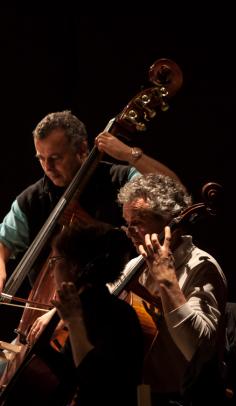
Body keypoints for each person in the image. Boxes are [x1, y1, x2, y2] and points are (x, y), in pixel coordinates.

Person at [0, 109, 180, 294]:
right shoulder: (32, 199)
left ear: (82, 150)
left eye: (56, 158)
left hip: (121, 297)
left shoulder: (120, 178)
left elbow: (175, 192)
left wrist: (128, 154)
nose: (48, 167)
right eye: (41, 159)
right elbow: (2, 242)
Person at [0, 222, 144, 406]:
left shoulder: (115, 314)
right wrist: (40, 346)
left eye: (54, 261)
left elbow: (94, 378)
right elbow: (69, 374)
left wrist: (74, 322)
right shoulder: (85, 304)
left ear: (74, 266)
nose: (51, 271)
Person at [116, 173, 228, 406]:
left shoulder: (201, 267)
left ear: (169, 223)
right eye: (127, 223)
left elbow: (198, 351)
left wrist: (167, 280)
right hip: (140, 401)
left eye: (138, 222)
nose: (129, 232)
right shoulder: (136, 264)